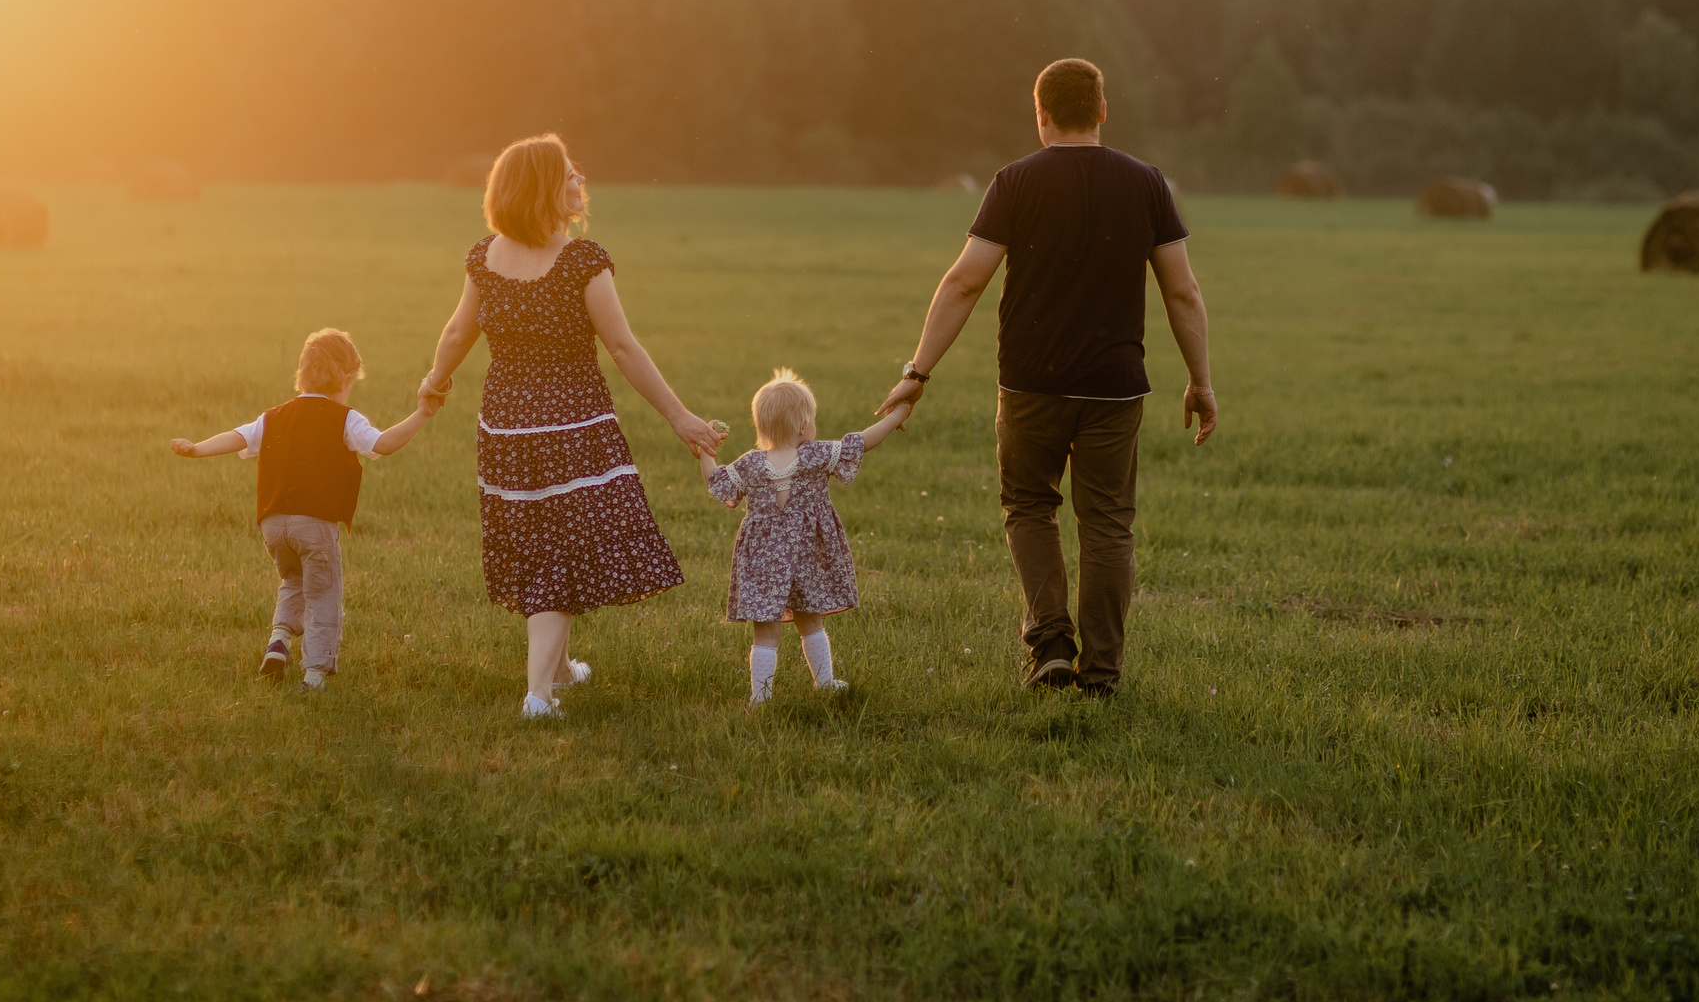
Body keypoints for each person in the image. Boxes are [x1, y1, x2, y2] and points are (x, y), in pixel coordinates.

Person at [877, 57, 1215, 696]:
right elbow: (1184, 293)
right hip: (1117, 388)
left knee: (1029, 507)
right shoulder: (1148, 183)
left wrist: (917, 372)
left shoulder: (1015, 182)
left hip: (1030, 383)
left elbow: (964, 280)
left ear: (1041, 115)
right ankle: (1104, 673)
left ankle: (1053, 647)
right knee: (1108, 523)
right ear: (1102, 112)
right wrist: (1201, 381)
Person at [420, 134, 720, 718]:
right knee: (560, 554)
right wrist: (680, 417)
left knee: (539, 545)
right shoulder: (584, 261)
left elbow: (459, 333)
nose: (580, 180)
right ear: (542, 192)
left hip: (504, 432)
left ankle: (559, 667)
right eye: (568, 174)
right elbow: (624, 349)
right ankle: (538, 694)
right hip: (573, 428)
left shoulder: (485, 258)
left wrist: (435, 379)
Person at [170, 327, 436, 690]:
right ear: (345, 378)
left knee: (292, 580)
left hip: (273, 524)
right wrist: (423, 414)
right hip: (315, 524)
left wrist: (196, 448)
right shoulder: (344, 418)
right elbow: (384, 444)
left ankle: (279, 641)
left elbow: (238, 436)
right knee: (324, 593)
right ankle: (315, 673)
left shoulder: (274, 416)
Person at [698, 369, 911, 705]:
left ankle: (760, 697)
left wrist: (705, 449)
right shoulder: (816, 455)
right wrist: (898, 413)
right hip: (807, 555)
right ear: (802, 426)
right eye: (812, 419)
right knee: (809, 617)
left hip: (763, 559)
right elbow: (864, 440)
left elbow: (717, 482)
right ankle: (824, 683)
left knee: (765, 628)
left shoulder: (750, 464)